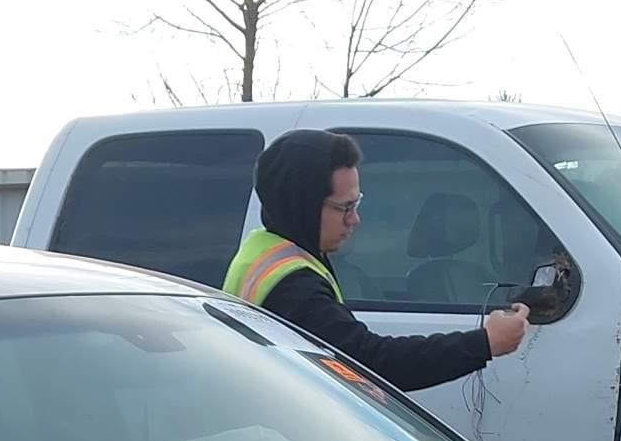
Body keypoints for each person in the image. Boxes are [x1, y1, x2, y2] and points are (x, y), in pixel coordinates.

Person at [222, 129, 529, 393]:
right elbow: (369, 363)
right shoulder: (292, 285)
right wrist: (484, 342)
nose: (355, 219)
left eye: (357, 203)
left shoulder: (266, 250)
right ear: (303, 206)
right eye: (344, 208)